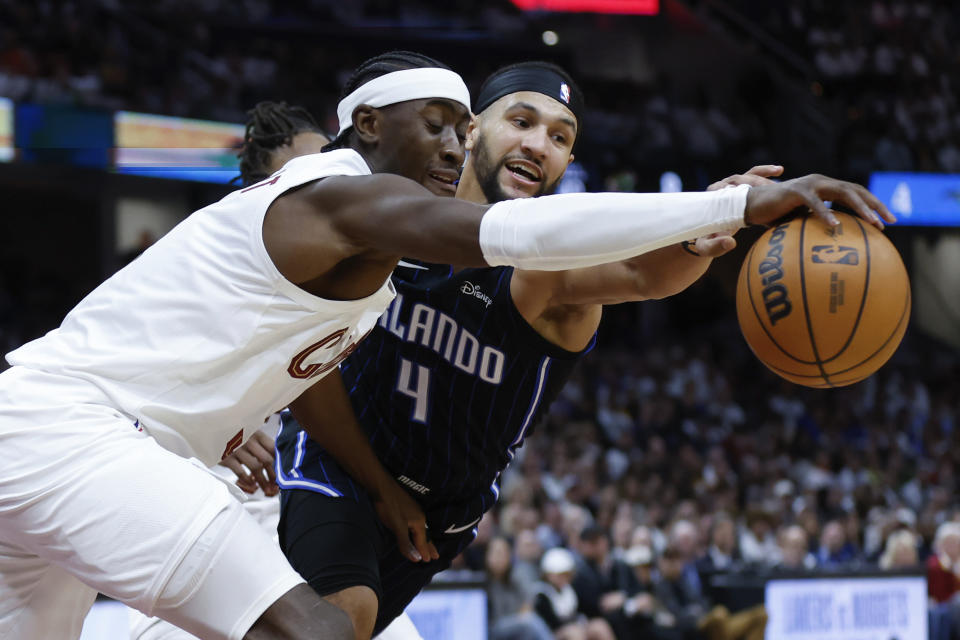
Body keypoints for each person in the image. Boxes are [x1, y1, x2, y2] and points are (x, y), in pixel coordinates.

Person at [272, 59, 895, 638]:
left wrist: (707, 220)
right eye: (522, 121)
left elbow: (642, 274)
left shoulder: (544, 271)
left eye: (562, 137)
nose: (540, 145)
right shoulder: (392, 210)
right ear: (471, 129)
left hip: (441, 518)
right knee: (339, 618)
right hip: (337, 463)